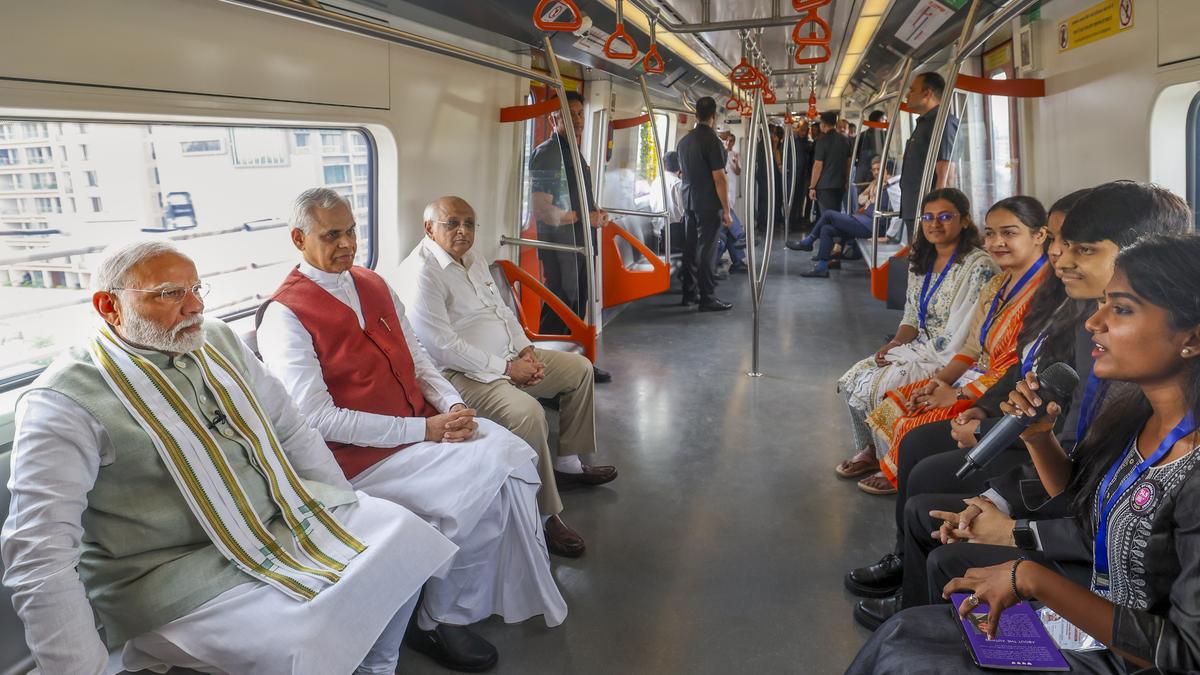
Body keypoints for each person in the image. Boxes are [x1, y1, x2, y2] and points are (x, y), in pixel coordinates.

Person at [0, 241, 458, 675]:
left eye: (196, 289)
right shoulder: (62, 402)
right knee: (303, 638)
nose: (195, 305)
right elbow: (38, 555)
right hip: (170, 570)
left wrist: (341, 504)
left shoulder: (215, 338)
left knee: (407, 536)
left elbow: (290, 425)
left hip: (277, 517)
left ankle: (375, 666)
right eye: (170, 294)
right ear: (109, 307)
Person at [848, 233, 1200, 674]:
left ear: (1192, 337)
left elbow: (1184, 655)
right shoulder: (1137, 415)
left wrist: (1031, 577)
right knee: (901, 634)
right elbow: (1084, 504)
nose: (1096, 322)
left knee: (909, 661)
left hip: (1128, 656)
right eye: (1105, 303)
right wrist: (1038, 437)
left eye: (1122, 309)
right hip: (1092, 613)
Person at [256, 188, 568, 672]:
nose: (347, 244)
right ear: (298, 238)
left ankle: (448, 605)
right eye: (331, 235)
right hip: (357, 459)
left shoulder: (373, 285)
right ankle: (438, 620)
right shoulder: (285, 316)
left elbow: (419, 359)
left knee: (509, 463)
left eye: (352, 231)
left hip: (422, 429)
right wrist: (424, 429)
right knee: (476, 489)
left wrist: (456, 404)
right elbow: (316, 419)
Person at [396, 195, 618, 559]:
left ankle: (567, 466)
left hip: (506, 358)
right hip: (459, 374)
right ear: (429, 228)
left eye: (469, 223)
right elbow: (442, 347)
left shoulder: (473, 257)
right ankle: (545, 515)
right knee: (527, 413)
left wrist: (524, 350)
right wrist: (508, 370)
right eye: (452, 223)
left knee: (578, 370)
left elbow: (500, 309)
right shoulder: (422, 273)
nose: (463, 231)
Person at [865, 196, 1052, 495]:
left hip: (1004, 392)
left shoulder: (1046, 295)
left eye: (1009, 232)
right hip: (977, 376)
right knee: (897, 402)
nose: (997, 242)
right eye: (990, 233)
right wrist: (940, 382)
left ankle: (917, 484)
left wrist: (958, 394)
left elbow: (1016, 369)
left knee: (913, 427)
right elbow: (970, 348)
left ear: (1040, 235)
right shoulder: (997, 285)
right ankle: (900, 474)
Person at [832, 187, 995, 481]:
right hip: (919, 346)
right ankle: (871, 449)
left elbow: (964, 336)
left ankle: (891, 463)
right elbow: (911, 315)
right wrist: (896, 344)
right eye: (928, 217)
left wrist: (914, 357)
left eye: (946, 216)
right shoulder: (922, 259)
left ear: (965, 221)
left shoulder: (978, 266)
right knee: (856, 377)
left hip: (955, 357)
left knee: (884, 386)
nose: (935, 224)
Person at [528, 90, 613, 383]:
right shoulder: (549, 154)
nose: (578, 120)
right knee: (560, 309)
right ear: (554, 117)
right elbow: (543, 211)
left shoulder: (573, 151)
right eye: (570, 113)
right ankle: (546, 376)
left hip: (579, 245)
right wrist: (584, 217)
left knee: (576, 309)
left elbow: (574, 200)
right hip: (560, 248)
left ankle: (575, 368)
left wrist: (594, 211)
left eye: (580, 113)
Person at [792, 156, 904, 277]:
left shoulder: (893, 186)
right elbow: (863, 199)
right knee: (826, 230)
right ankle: (822, 267)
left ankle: (808, 242)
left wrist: (888, 236)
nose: (876, 173)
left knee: (829, 214)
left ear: (887, 169)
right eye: (874, 170)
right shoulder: (880, 185)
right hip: (864, 220)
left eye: (879, 169)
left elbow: (898, 213)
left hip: (869, 225)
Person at [675, 96, 733, 312]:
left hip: (688, 200)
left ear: (695, 115)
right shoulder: (713, 142)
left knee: (690, 248)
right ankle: (707, 298)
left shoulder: (684, 142)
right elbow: (719, 178)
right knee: (708, 250)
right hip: (708, 203)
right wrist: (726, 210)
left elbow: (683, 173)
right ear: (714, 117)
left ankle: (689, 293)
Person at [899, 72, 959, 241]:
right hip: (915, 208)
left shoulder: (942, 122)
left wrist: (937, 214)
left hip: (927, 212)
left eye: (912, 90)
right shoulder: (924, 122)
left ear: (928, 93)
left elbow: (946, 173)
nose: (907, 94)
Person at [808, 111, 853, 216]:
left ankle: (829, 232)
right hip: (840, 184)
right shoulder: (845, 140)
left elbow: (818, 166)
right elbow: (849, 162)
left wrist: (812, 186)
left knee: (827, 216)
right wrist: (846, 179)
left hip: (825, 186)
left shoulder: (821, 141)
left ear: (823, 125)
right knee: (836, 214)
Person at [717, 130, 747, 273]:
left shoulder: (733, 155)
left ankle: (738, 260)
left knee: (727, 225)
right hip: (716, 204)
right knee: (727, 226)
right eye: (726, 140)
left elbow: (737, 172)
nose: (728, 143)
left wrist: (735, 163)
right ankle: (740, 236)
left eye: (731, 141)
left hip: (729, 191)